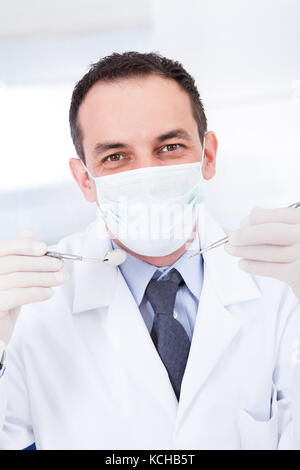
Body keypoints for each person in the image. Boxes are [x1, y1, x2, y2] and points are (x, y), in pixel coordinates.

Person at [0, 51, 300, 450]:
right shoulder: (32, 305)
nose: (147, 176)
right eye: (116, 157)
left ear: (207, 156)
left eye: (170, 147)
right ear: (85, 180)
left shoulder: (279, 283)